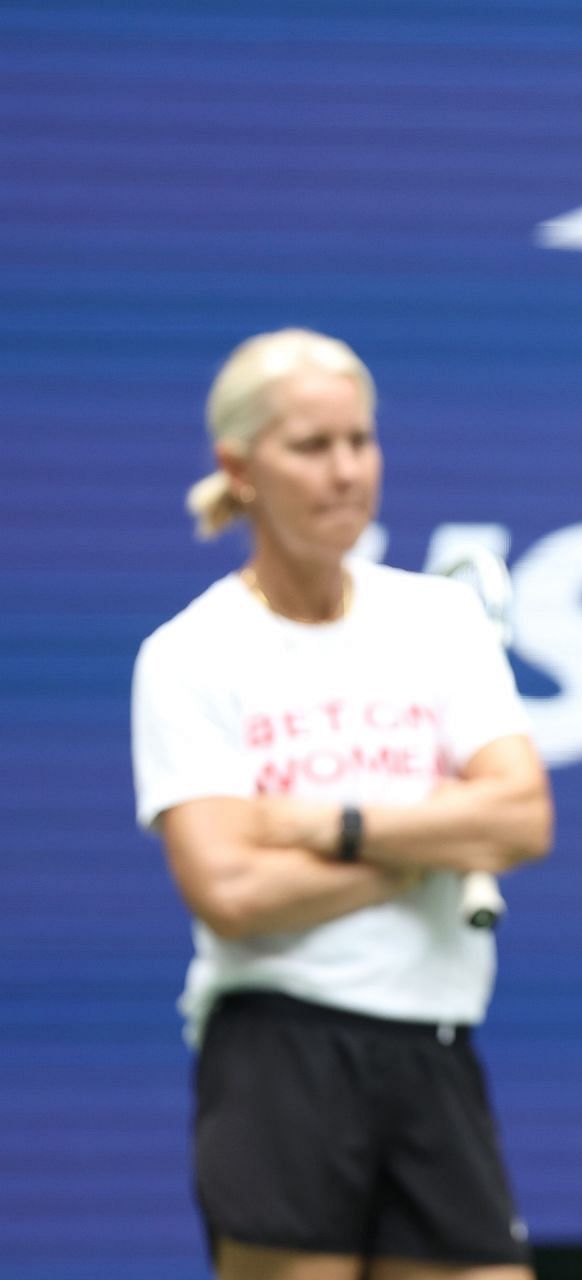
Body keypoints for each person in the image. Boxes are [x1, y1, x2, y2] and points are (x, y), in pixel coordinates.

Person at [130, 328, 553, 1280]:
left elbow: (522, 818)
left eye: (359, 442)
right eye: (311, 447)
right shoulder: (187, 655)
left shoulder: (437, 620)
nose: (345, 472)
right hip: (279, 1048)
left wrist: (333, 827)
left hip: (436, 1049)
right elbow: (232, 889)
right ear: (239, 468)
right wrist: (430, 842)